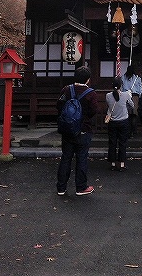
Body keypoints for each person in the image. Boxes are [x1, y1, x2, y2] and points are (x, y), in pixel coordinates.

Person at [56, 66, 98, 196]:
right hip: (84, 129)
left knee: (66, 157)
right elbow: (93, 111)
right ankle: (81, 187)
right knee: (82, 158)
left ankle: (61, 187)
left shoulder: (66, 90)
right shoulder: (91, 93)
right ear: (88, 79)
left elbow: (59, 105)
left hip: (67, 129)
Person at [105, 76, 134, 171]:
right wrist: (129, 95)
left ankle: (113, 163)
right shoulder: (126, 95)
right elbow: (132, 105)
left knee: (112, 143)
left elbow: (109, 106)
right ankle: (121, 164)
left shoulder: (108, 95)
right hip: (123, 121)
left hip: (112, 122)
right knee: (122, 143)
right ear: (121, 85)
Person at [121, 65, 142, 136]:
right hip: (135, 97)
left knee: (127, 115)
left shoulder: (123, 78)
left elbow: (121, 89)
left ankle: (127, 131)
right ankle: (134, 131)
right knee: (134, 115)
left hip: (125, 96)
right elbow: (140, 91)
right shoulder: (137, 78)